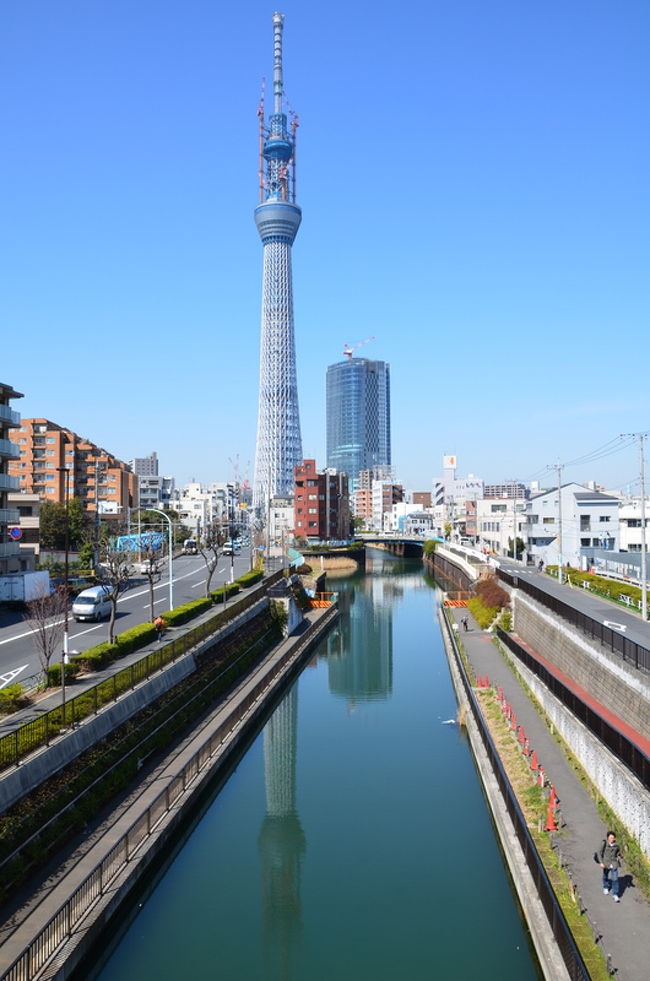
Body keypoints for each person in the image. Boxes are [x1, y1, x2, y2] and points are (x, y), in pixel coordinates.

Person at [598, 831, 621, 902]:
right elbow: (599, 853)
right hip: (606, 864)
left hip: (614, 864)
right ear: (608, 838)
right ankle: (605, 887)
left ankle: (615, 894)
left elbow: (618, 852)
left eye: (613, 838)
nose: (612, 839)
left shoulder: (616, 845)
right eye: (611, 837)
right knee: (605, 876)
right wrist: (601, 862)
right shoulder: (604, 843)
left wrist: (619, 856)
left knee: (615, 879)